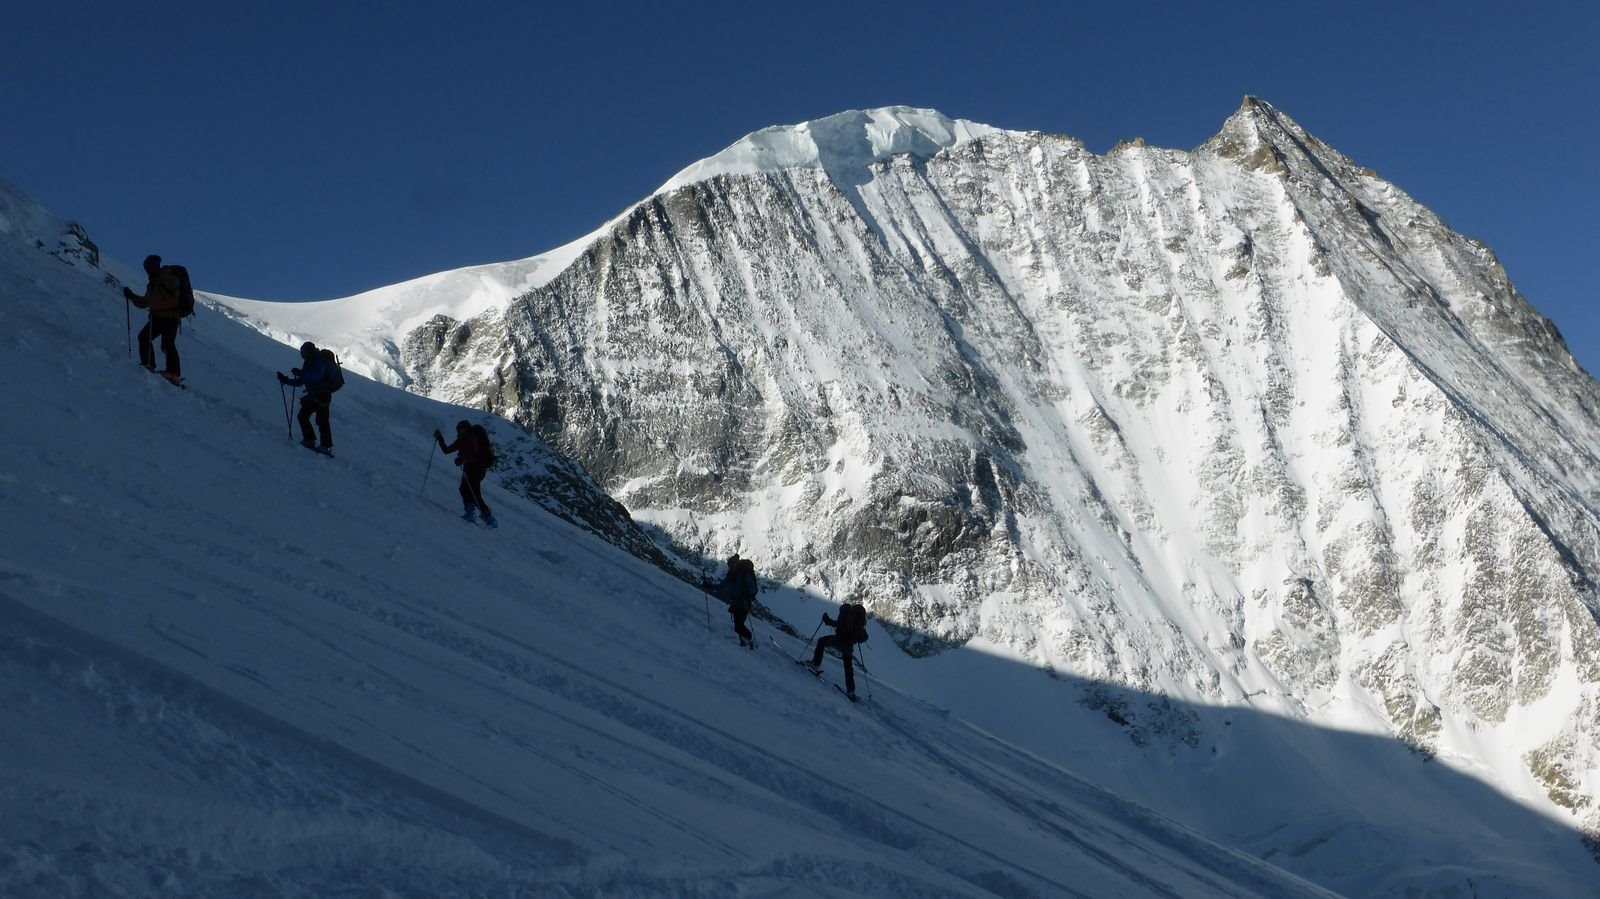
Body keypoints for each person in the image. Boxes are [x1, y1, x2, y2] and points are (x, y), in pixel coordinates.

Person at [123, 254, 182, 383]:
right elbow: (145, 302)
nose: (150, 269)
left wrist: (157, 306)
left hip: (169, 317)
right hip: (161, 317)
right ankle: (152, 366)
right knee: (146, 338)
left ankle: (172, 373)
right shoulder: (153, 284)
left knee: (166, 344)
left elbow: (171, 299)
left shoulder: (167, 279)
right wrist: (132, 296)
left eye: (151, 266)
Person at [277, 342, 336, 452]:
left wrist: (301, 373)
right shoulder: (309, 361)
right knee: (308, 417)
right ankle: (315, 442)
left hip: (322, 394)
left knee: (319, 419)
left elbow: (316, 376)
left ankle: (321, 445)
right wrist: (286, 380)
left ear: (308, 351)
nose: (301, 355)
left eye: (303, 352)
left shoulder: (318, 360)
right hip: (316, 395)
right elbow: (302, 381)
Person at [435, 420, 496, 526]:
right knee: (466, 489)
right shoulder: (462, 440)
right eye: (458, 429)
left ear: (466, 429)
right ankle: (474, 514)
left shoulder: (470, 439)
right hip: (473, 468)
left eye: (460, 429)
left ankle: (488, 518)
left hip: (476, 468)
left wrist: (462, 460)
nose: (459, 431)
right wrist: (440, 439)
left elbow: (474, 455)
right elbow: (447, 450)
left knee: (473, 492)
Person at [809, 602, 870, 700]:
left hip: (838, 640)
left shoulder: (845, 615)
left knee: (822, 641)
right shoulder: (859, 621)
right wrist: (857, 638)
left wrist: (826, 619)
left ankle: (815, 664)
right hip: (848, 647)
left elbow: (836, 624)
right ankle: (851, 691)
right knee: (848, 668)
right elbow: (864, 637)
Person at [710, 555, 758, 647]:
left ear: (736, 565)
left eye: (732, 566)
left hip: (743, 603)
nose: (731, 568)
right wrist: (710, 586)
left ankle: (749, 640)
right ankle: (745, 641)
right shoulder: (731, 575)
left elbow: (753, 589)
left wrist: (745, 594)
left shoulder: (744, 575)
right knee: (738, 625)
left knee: (739, 625)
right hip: (736, 603)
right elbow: (722, 586)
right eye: (730, 566)